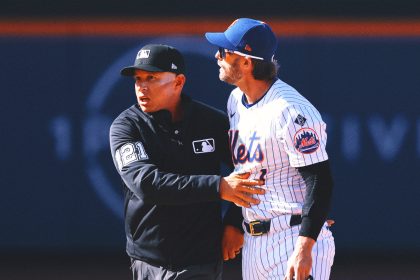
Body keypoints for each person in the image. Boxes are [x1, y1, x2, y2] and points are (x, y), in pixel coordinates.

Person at [109, 43, 265, 280]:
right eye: (138, 79)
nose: (142, 87)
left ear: (178, 82)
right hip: (151, 259)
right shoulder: (127, 127)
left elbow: (252, 168)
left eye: (152, 77)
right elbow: (147, 185)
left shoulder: (211, 122)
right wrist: (219, 187)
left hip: (201, 258)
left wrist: (235, 221)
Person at [205, 18, 335, 280]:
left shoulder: (290, 110)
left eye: (225, 51)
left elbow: (320, 181)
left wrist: (305, 247)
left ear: (246, 61)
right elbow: (248, 171)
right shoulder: (236, 101)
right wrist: (233, 221)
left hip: (292, 237)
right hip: (255, 244)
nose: (217, 55)